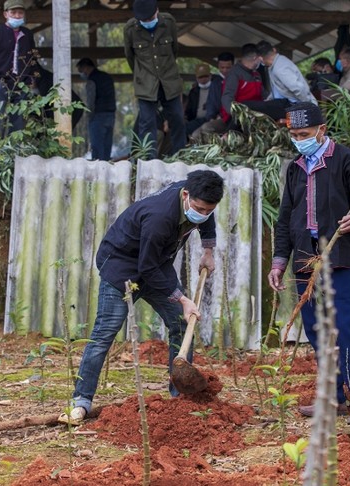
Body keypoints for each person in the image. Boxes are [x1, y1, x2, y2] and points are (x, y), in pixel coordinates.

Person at [58, 170, 225, 425]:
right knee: (105, 332)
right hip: (121, 266)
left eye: (207, 210)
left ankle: (180, 398)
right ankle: (81, 401)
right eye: (199, 208)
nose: (201, 214)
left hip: (155, 264)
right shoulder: (160, 217)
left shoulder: (197, 197)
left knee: (181, 324)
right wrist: (182, 299)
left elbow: (205, 219)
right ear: (185, 195)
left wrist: (208, 250)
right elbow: (146, 268)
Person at [268, 102, 350, 425]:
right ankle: (332, 398)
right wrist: (278, 261)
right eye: (294, 134)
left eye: (304, 134)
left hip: (337, 256)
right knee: (317, 331)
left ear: (321, 131)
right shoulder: (295, 168)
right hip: (305, 258)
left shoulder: (346, 160)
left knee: (343, 327)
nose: (299, 139)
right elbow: (285, 217)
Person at [124, 0, 186, 159]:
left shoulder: (168, 22)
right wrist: (142, 75)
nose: (147, 22)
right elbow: (130, 57)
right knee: (147, 123)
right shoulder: (131, 29)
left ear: (157, 11)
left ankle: (180, 156)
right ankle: (149, 161)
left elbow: (174, 50)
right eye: (143, 20)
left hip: (169, 81)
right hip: (146, 83)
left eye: (150, 18)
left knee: (177, 119)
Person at [0, 0, 38, 139]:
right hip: (0, 83)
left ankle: (14, 157)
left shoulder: (27, 35)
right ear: (5, 14)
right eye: (13, 12)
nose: (17, 15)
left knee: (19, 124)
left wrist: (31, 80)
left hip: (22, 85)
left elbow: (32, 60)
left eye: (20, 12)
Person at [257, 40, 317, 114]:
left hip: (296, 105)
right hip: (287, 103)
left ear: (260, 58)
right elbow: (277, 89)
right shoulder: (274, 65)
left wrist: (308, 106)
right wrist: (269, 99)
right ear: (274, 49)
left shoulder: (280, 68)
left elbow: (298, 88)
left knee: (252, 106)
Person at [76, 58, 116, 161]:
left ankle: (98, 172)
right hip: (110, 115)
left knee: (97, 148)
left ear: (86, 68)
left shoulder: (92, 80)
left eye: (81, 71)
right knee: (107, 146)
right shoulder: (107, 77)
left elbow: (91, 100)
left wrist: (89, 116)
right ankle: (107, 168)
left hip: (98, 116)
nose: (81, 74)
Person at [189, 52, 235, 141]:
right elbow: (212, 101)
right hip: (214, 117)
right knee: (195, 135)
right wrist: (211, 117)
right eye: (222, 67)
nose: (225, 70)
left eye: (228, 67)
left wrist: (221, 115)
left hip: (230, 118)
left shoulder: (236, 79)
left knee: (207, 128)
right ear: (218, 66)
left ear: (233, 66)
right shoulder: (215, 82)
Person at [220, 43, 265, 126]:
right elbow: (227, 98)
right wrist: (239, 115)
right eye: (260, 58)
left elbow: (263, 96)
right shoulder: (234, 74)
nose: (262, 60)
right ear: (255, 58)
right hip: (239, 118)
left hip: (257, 116)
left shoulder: (257, 74)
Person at [184, 63, 214, 136]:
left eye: (205, 76)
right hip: (196, 120)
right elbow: (189, 109)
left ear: (210, 76)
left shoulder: (216, 88)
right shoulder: (193, 92)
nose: (203, 79)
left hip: (210, 119)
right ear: (197, 78)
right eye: (200, 77)